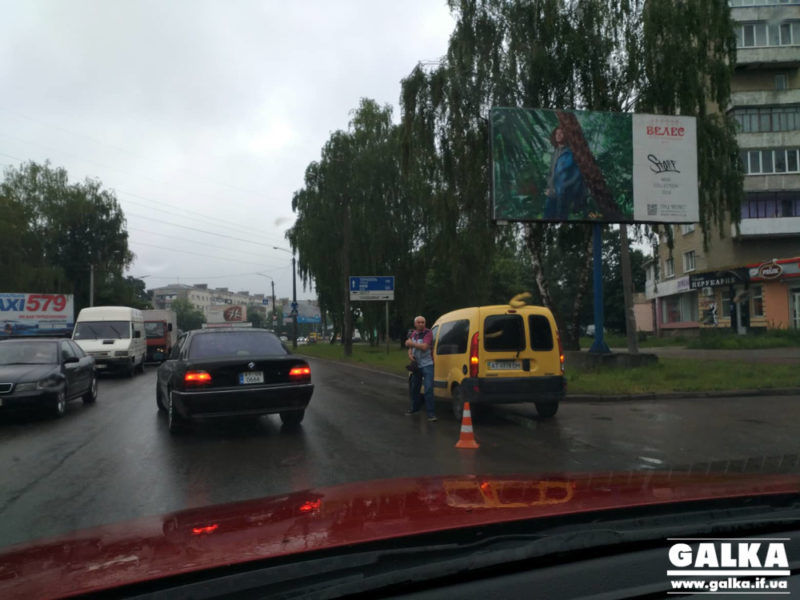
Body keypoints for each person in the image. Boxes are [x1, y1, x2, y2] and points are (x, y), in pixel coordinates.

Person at [543, 126, 588, 220]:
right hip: (551, 194)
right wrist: (548, 188)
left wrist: (562, 190)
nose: (558, 135)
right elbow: (551, 173)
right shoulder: (555, 153)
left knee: (561, 218)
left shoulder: (571, 153)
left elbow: (575, 176)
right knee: (547, 218)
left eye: (561, 133)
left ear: (566, 136)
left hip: (563, 195)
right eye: (556, 133)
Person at [405, 315, 436, 422]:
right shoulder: (413, 334)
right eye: (418, 322)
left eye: (423, 322)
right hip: (417, 365)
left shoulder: (428, 333)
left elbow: (424, 347)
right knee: (414, 388)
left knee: (428, 389)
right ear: (415, 324)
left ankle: (431, 414)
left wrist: (411, 343)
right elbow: (410, 348)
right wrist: (410, 354)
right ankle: (414, 408)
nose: (421, 324)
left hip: (427, 364)